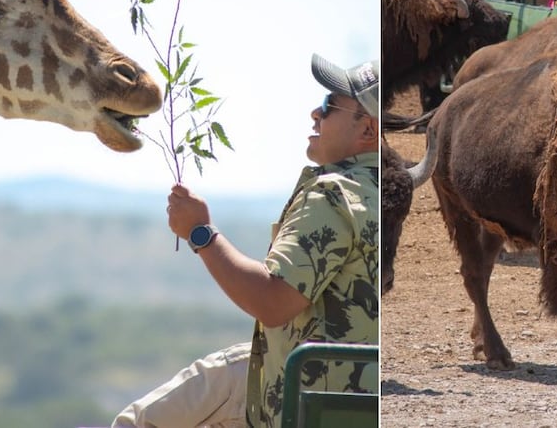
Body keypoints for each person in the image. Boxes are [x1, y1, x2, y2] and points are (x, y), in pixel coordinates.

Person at [111, 54, 380, 428]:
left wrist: (200, 233)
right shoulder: (383, 192)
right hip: (353, 389)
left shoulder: (334, 195)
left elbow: (271, 302)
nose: (314, 114)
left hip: (307, 393)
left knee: (137, 423)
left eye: (328, 106)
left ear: (367, 130)